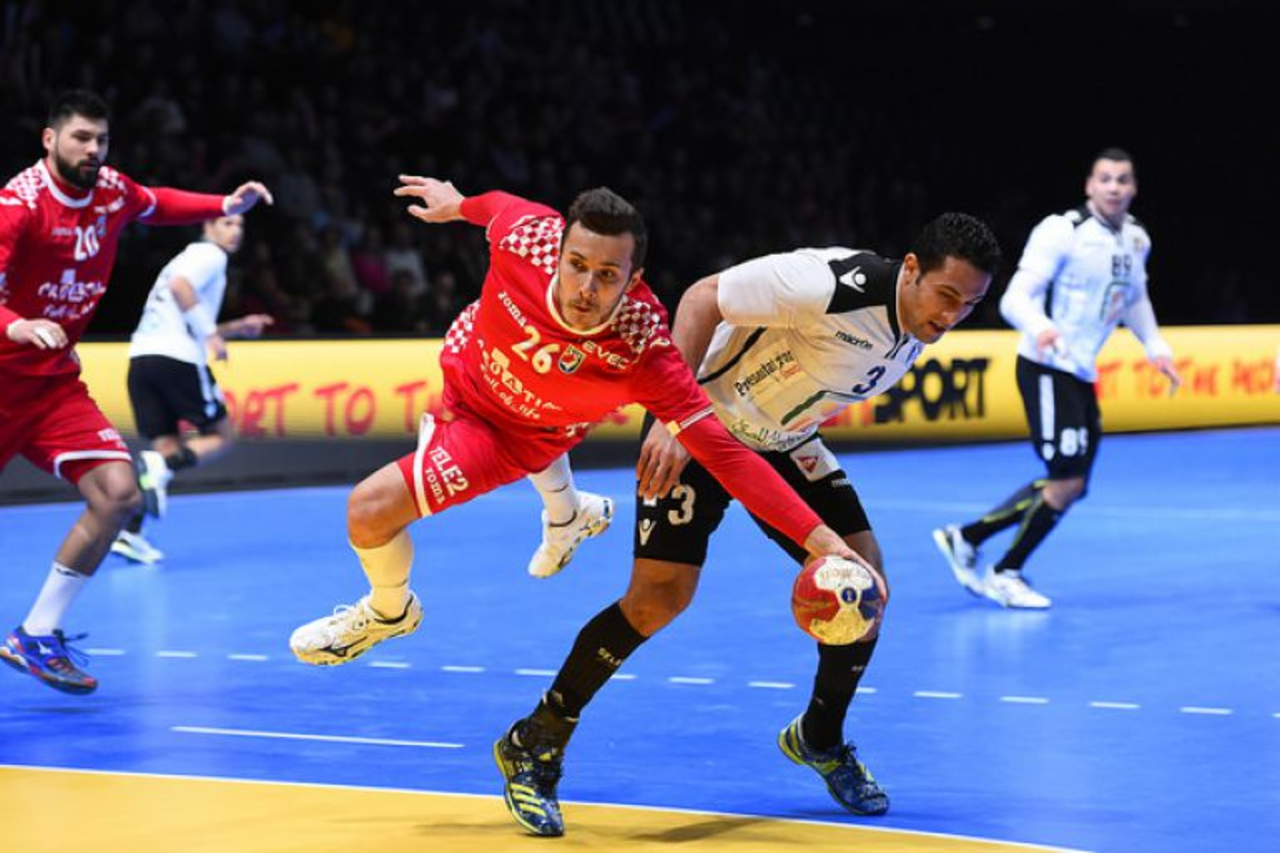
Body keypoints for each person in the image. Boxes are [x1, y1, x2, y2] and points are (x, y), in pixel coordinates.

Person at [497, 213, 1002, 836]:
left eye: (969, 305)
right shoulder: (828, 284)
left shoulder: (916, 321)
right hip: (700, 429)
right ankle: (535, 739)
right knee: (658, 600)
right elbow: (703, 297)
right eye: (946, 295)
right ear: (911, 270)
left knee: (865, 585)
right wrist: (675, 418)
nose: (952, 315)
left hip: (784, 442)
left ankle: (819, 736)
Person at [288, 178, 859, 676]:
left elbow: (726, 456)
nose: (586, 288)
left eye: (607, 275)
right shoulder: (526, 237)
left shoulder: (645, 351)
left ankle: (389, 611)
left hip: (509, 436)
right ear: (558, 251)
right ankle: (567, 515)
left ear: (633, 278)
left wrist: (824, 543)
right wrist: (456, 203)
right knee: (489, 437)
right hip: (468, 364)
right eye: (577, 265)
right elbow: (496, 205)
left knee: (369, 511)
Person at [0, 89, 272, 693]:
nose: (93, 150)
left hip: (52, 388)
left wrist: (224, 203)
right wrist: (15, 325)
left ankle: (36, 635)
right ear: (49, 139)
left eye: (101, 139)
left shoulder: (111, 191)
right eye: (81, 138)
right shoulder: (18, 206)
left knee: (120, 493)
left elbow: (158, 202)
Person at [933, 148, 1180, 609]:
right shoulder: (1062, 231)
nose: (1113, 187)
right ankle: (1006, 571)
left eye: (1122, 180)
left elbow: (1134, 300)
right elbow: (1015, 299)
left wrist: (1156, 348)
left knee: (1075, 484)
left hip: (1081, 372)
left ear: (1133, 188)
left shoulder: (1136, 239)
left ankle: (966, 538)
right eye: (1105, 178)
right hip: (1047, 367)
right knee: (1065, 480)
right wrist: (1043, 328)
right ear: (1089, 185)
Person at [110, 214, 274, 565]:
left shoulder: (183, 257)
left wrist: (234, 328)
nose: (235, 231)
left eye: (240, 225)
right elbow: (180, 288)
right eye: (227, 223)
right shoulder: (209, 255)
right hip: (178, 360)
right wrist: (212, 335)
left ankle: (132, 533)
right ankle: (158, 466)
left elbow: (182, 318)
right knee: (222, 436)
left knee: (166, 453)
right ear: (207, 227)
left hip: (142, 360)